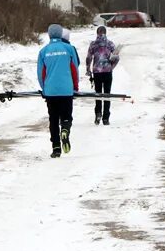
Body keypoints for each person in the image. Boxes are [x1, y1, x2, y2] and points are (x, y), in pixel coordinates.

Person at [35, 23, 80, 158]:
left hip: (51, 91)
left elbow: (40, 73)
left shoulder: (43, 51)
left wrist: (44, 88)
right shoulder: (69, 49)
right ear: (61, 34)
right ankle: (65, 129)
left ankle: (56, 148)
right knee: (66, 116)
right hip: (66, 90)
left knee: (53, 119)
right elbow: (74, 70)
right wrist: (75, 87)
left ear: (49, 35)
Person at [85, 25, 120, 124]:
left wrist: (88, 69)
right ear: (105, 33)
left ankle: (98, 113)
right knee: (107, 94)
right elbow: (117, 58)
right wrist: (111, 67)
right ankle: (106, 118)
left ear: (97, 33)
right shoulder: (110, 44)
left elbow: (88, 58)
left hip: (97, 72)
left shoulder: (93, 44)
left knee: (98, 94)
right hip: (107, 72)